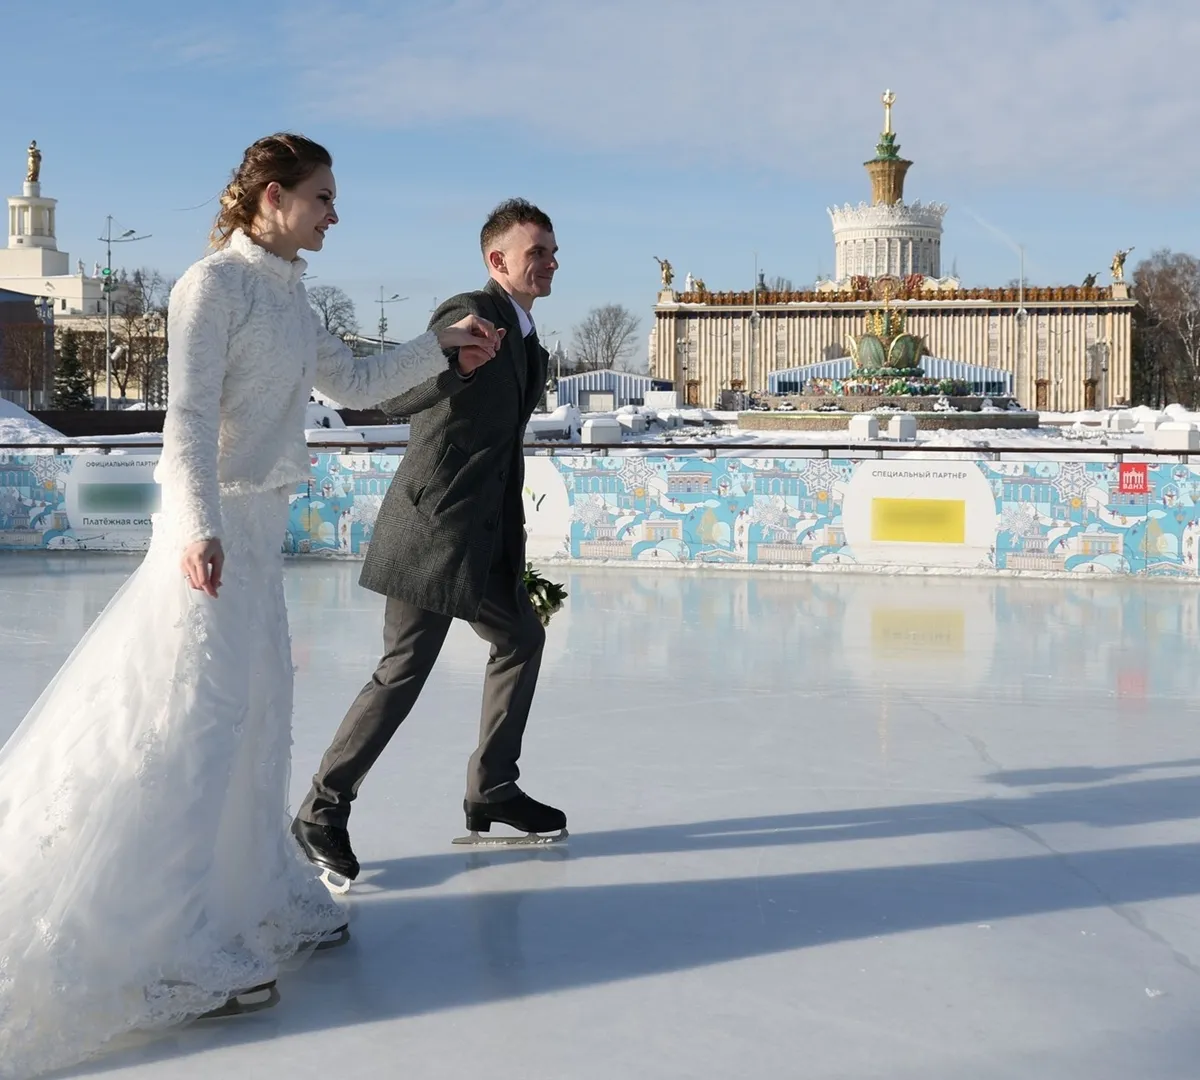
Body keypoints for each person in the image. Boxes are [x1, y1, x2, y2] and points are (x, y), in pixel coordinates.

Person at [0, 132, 500, 1079]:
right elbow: (187, 416)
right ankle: (172, 941)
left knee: (261, 716)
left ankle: (256, 896)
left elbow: (351, 380)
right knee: (198, 728)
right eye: (322, 198)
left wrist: (439, 347)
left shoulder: (290, 292)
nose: (334, 215)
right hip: (212, 538)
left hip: (260, 537)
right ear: (273, 197)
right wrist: (195, 526)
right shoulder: (210, 287)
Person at [293, 198, 563, 882]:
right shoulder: (469, 312)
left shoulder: (527, 336)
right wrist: (455, 363)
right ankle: (321, 809)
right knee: (404, 670)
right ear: (497, 260)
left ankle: (493, 788)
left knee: (521, 637)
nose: (550, 262)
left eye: (553, 251)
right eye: (536, 252)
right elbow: (392, 397)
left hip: (485, 537)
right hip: (435, 530)